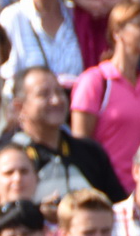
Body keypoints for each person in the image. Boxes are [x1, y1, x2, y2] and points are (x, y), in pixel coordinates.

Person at [68, 2, 140, 195]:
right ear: (118, 31)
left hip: (139, 194)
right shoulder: (94, 81)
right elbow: (80, 146)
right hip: (102, 191)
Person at [9, 66, 126, 203]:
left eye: (60, 92)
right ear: (20, 107)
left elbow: (117, 206)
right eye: (44, 94)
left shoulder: (90, 152)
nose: (56, 100)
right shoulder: (8, 159)